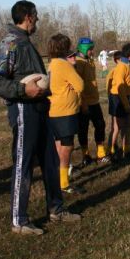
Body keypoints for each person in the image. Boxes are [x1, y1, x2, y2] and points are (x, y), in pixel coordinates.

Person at [0, 0, 80, 236]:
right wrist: (22, 90)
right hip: (23, 110)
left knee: (50, 161)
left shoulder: (27, 43)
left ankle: (56, 209)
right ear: (28, 16)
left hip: (41, 110)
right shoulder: (10, 44)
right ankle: (19, 220)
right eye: (36, 15)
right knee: (24, 163)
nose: (38, 19)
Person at [47, 34, 85, 195]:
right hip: (66, 111)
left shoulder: (52, 64)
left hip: (54, 110)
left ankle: (58, 179)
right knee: (67, 146)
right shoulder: (64, 64)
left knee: (58, 143)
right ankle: (63, 183)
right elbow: (80, 85)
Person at [74, 38, 109, 166]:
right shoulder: (78, 62)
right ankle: (85, 155)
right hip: (84, 102)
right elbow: (77, 85)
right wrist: (83, 103)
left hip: (94, 101)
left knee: (100, 125)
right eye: (90, 49)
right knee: (82, 129)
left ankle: (100, 154)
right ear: (84, 49)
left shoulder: (90, 61)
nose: (92, 51)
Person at [108, 43, 130, 159]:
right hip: (118, 98)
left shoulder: (128, 65)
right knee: (118, 127)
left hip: (127, 97)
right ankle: (111, 150)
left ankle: (127, 149)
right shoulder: (121, 67)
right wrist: (125, 105)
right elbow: (120, 88)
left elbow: (129, 85)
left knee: (126, 124)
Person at [106, 51, 122, 155]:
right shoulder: (113, 71)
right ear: (117, 60)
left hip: (121, 98)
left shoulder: (123, 69)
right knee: (116, 125)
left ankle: (114, 144)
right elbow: (108, 85)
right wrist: (111, 98)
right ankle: (110, 149)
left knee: (119, 125)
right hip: (115, 98)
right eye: (121, 59)